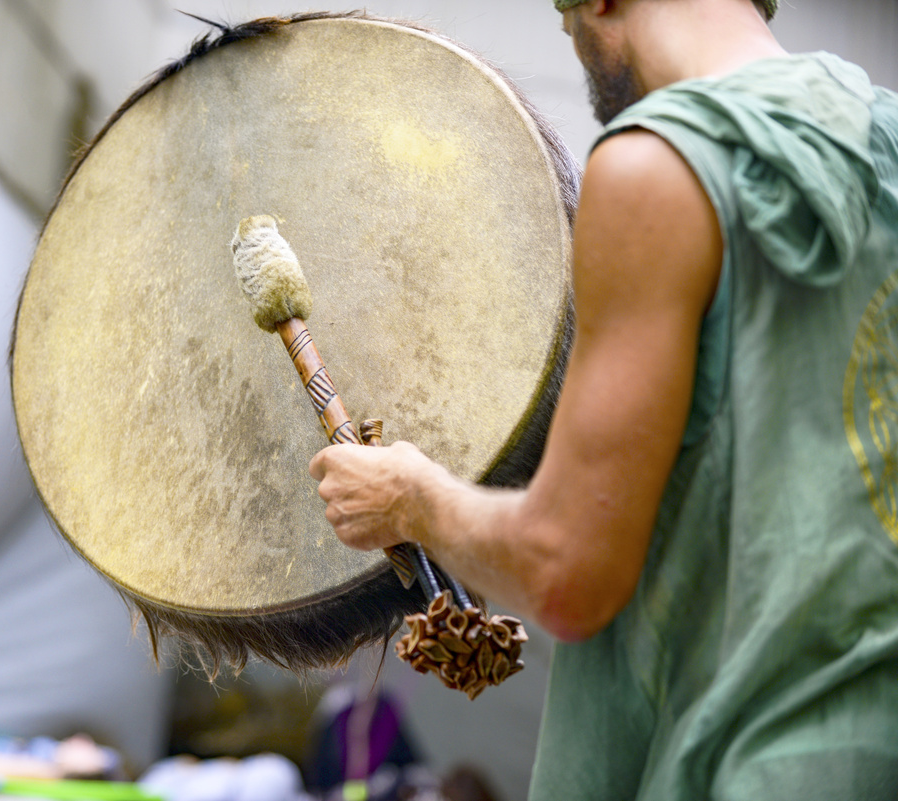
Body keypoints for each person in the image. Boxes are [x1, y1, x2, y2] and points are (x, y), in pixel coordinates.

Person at [308, 0, 898, 798]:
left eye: (566, 19)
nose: (572, 43)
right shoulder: (885, 141)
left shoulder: (660, 165)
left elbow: (567, 570)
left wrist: (412, 498)